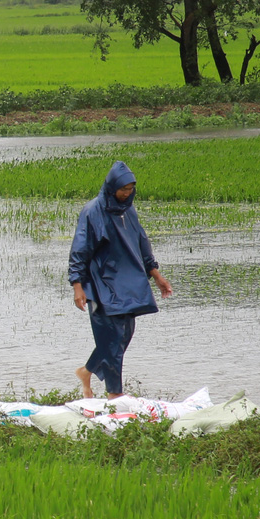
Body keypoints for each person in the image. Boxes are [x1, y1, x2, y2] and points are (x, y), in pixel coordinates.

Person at [68, 160, 173, 399]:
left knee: (124, 334)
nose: (126, 193)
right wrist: (78, 286)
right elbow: (79, 250)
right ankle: (114, 394)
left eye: (130, 189)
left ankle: (87, 371)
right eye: (122, 189)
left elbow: (141, 243)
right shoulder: (92, 211)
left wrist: (156, 275)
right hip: (101, 283)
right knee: (112, 337)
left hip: (127, 282)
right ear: (111, 186)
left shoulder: (129, 210)